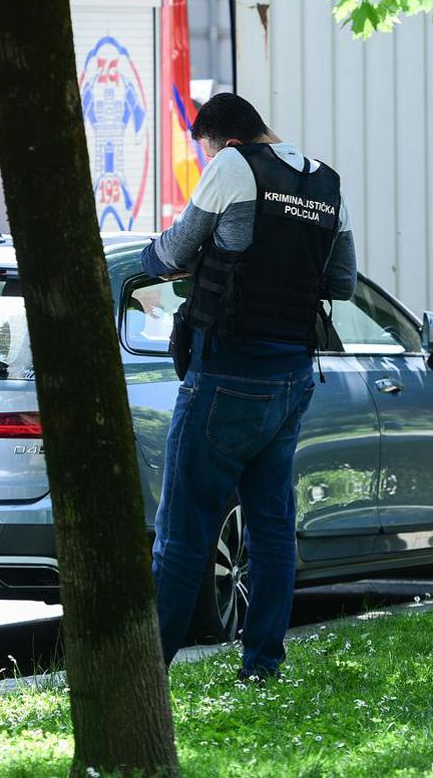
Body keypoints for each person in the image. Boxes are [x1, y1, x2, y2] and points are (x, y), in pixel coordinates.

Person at [140, 92, 356, 681]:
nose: (206, 159)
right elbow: (341, 283)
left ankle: (148, 676)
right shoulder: (327, 185)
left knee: (184, 532)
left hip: (226, 375)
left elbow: (174, 252)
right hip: (291, 378)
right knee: (271, 528)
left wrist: (155, 256)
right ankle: (263, 665)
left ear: (221, 139)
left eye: (203, 150)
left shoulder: (231, 168)